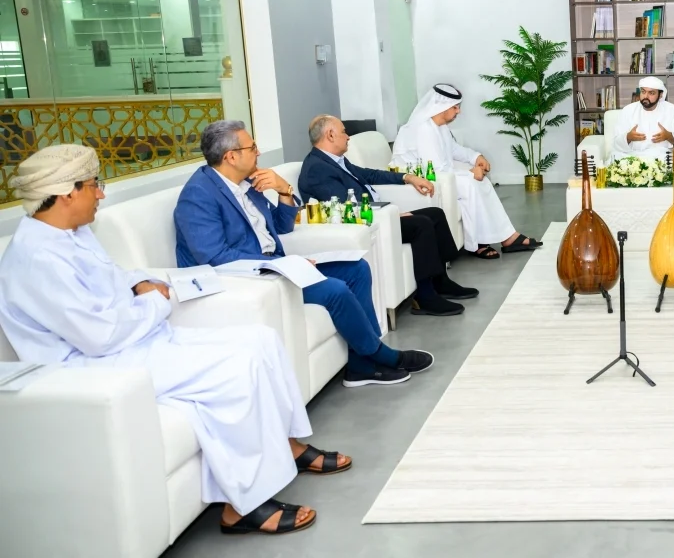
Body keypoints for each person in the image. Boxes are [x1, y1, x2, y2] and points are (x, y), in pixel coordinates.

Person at [0, 144, 349, 536]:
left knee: (261, 340)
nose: (101, 194)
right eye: (94, 185)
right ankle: (242, 506)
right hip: (99, 366)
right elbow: (100, 337)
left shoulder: (71, 232)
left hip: (135, 341)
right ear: (67, 193)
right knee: (236, 367)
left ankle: (289, 445)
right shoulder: (37, 258)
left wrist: (140, 282)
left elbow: (112, 275)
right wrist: (156, 302)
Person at [174, 120, 433, 388]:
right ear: (231, 156)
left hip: (277, 266)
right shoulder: (198, 195)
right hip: (251, 278)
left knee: (357, 269)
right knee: (335, 289)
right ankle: (381, 355)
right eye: (252, 147)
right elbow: (215, 257)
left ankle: (360, 366)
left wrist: (284, 191)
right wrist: (283, 264)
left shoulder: (248, 182)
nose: (258, 152)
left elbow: (281, 226)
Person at [298, 115, 477, 316]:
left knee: (435, 214)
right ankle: (425, 297)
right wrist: (389, 214)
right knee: (421, 225)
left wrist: (408, 177)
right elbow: (346, 207)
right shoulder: (317, 169)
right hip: (369, 224)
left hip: (379, 215)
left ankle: (441, 282)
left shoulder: (335, 160)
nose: (348, 137)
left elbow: (370, 174)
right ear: (330, 135)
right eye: (344, 132)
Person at [391, 83, 542, 259]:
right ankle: (478, 244)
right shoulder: (423, 129)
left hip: (440, 176)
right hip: (421, 180)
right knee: (471, 183)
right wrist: (470, 173)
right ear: (441, 106)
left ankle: (508, 237)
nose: (458, 111)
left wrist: (476, 157)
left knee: (481, 182)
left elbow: (454, 150)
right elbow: (437, 169)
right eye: (455, 107)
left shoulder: (439, 127)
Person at [610, 76, 674, 163]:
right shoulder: (628, 110)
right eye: (643, 91)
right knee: (615, 157)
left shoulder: (670, 110)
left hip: (660, 157)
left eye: (651, 93)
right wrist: (628, 137)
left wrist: (668, 136)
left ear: (660, 95)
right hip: (632, 156)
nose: (646, 96)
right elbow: (616, 142)